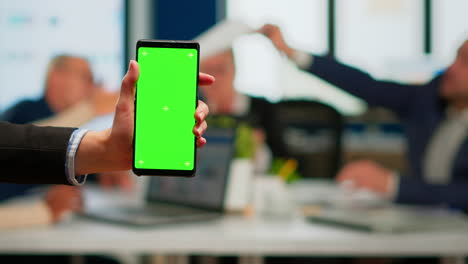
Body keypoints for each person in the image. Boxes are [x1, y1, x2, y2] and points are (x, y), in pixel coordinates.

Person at [260, 24, 468, 209]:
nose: (451, 68)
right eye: (456, 57)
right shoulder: (430, 97)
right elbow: (369, 87)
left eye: (465, 62)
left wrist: (392, 185)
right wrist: (292, 52)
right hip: (429, 225)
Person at [0, 60, 214, 185]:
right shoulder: (24, 111)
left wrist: (101, 165)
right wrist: (91, 108)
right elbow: (20, 153)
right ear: (56, 78)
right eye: (87, 77)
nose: (93, 87)